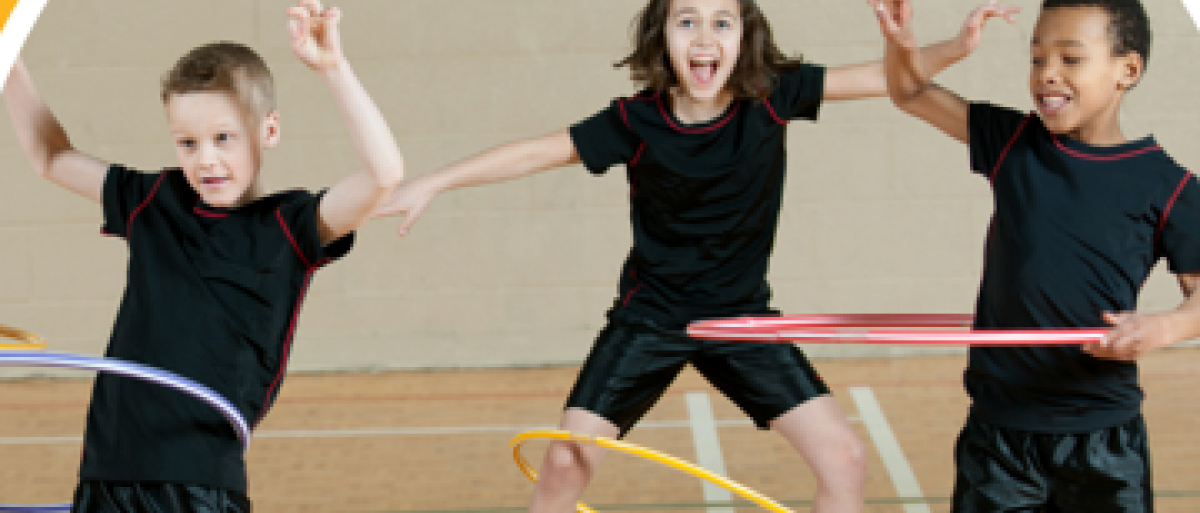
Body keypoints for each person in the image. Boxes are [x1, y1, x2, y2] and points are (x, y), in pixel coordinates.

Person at [375, 1, 1009, 511]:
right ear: (664, 37)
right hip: (650, 319)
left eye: (722, 21)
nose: (705, 35)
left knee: (844, 459)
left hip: (742, 321)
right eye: (688, 20)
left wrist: (952, 45)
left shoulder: (774, 96)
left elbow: (885, 78)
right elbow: (535, 152)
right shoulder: (635, 121)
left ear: (744, 37)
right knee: (565, 462)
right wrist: (435, 181)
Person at [2, 1, 404, 510]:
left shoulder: (291, 226)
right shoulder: (155, 201)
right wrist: (8, 54)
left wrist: (334, 69)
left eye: (223, 138)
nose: (205, 159)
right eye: (187, 143)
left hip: (200, 482)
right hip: (107, 469)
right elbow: (51, 156)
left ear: (269, 131)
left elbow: (384, 175)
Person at [872, 0, 1200, 510]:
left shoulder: (1168, 186)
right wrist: (904, 43)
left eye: (1070, 60)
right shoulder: (1013, 143)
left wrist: (1164, 328)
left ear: (1127, 70)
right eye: (1036, 58)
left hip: (1103, 441)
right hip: (1000, 438)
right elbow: (909, 91)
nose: (1048, 75)